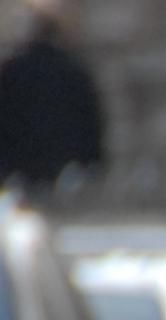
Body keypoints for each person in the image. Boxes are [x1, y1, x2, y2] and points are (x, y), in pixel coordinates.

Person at [0, 0, 105, 193]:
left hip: (18, 177)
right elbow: (90, 127)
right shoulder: (74, 72)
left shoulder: (11, 72)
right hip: (66, 175)